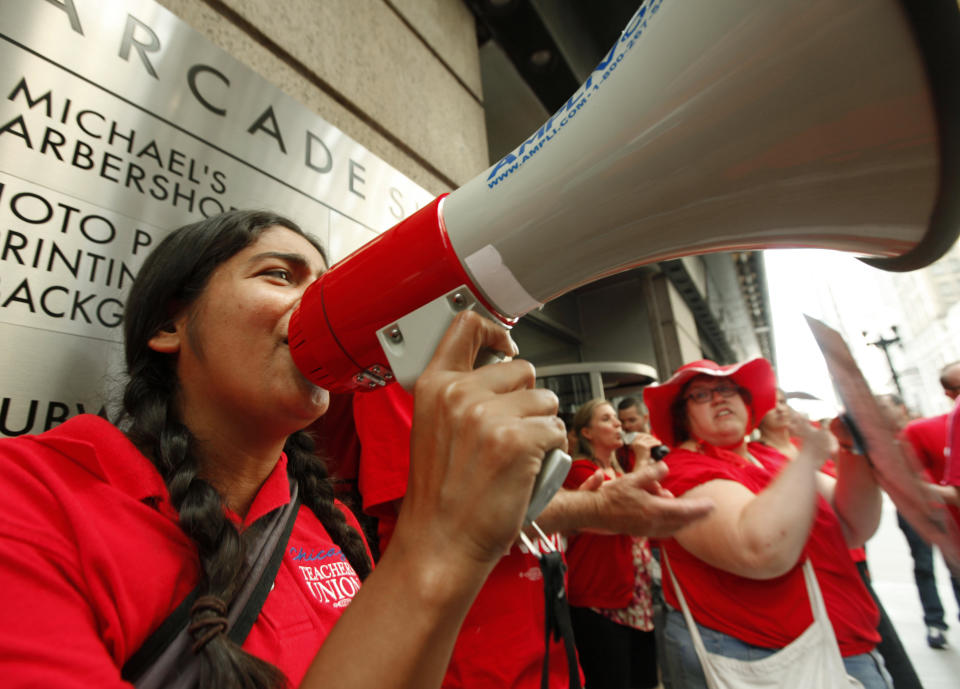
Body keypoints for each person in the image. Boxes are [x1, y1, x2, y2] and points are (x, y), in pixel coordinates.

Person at [0, 210, 583, 689]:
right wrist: (438, 544)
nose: (321, 308)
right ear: (169, 325)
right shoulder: (29, 497)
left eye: (327, 286)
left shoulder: (332, 530)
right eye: (280, 275)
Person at [353, 381, 714, 689]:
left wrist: (587, 513)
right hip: (481, 659)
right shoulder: (397, 376)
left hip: (547, 646)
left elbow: (530, 513)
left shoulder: (498, 371)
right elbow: (435, 522)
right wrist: (594, 509)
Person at [644, 358, 891, 689]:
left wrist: (854, 448)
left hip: (844, 652)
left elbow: (854, 525)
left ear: (746, 403)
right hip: (770, 662)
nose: (719, 398)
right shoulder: (682, 469)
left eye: (727, 389)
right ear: (682, 416)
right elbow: (759, 550)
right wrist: (807, 458)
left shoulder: (769, 457)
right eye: (701, 395)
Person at [759, 390, 924, 689]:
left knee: (880, 646)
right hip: (814, 574)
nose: (780, 409)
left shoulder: (812, 446)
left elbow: (851, 502)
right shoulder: (765, 457)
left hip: (848, 559)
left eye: (783, 402)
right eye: (770, 404)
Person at [564, 399, 658, 689]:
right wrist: (643, 459)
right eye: (607, 419)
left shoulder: (620, 470)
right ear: (587, 433)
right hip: (599, 599)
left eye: (617, 418)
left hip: (634, 596)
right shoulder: (582, 470)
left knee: (643, 680)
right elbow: (623, 510)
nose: (618, 424)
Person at [898, 362, 960, 648]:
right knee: (927, 566)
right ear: (950, 393)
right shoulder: (920, 430)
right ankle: (935, 622)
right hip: (926, 514)